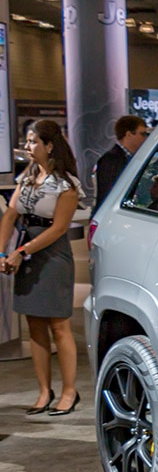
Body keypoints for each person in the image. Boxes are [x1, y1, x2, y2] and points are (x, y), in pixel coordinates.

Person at [0, 120, 83, 416]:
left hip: (51, 256)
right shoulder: (27, 176)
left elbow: (59, 228)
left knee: (59, 325)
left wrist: (21, 251)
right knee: (34, 324)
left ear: (50, 146)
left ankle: (69, 391)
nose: (28, 146)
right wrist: (2, 251)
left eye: (34, 141)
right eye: (27, 141)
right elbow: (10, 214)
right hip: (24, 253)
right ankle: (44, 390)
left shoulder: (67, 184)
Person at [92, 115, 150, 211]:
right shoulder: (111, 159)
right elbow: (109, 194)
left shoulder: (132, 158)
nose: (146, 138)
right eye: (142, 134)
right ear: (128, 134)